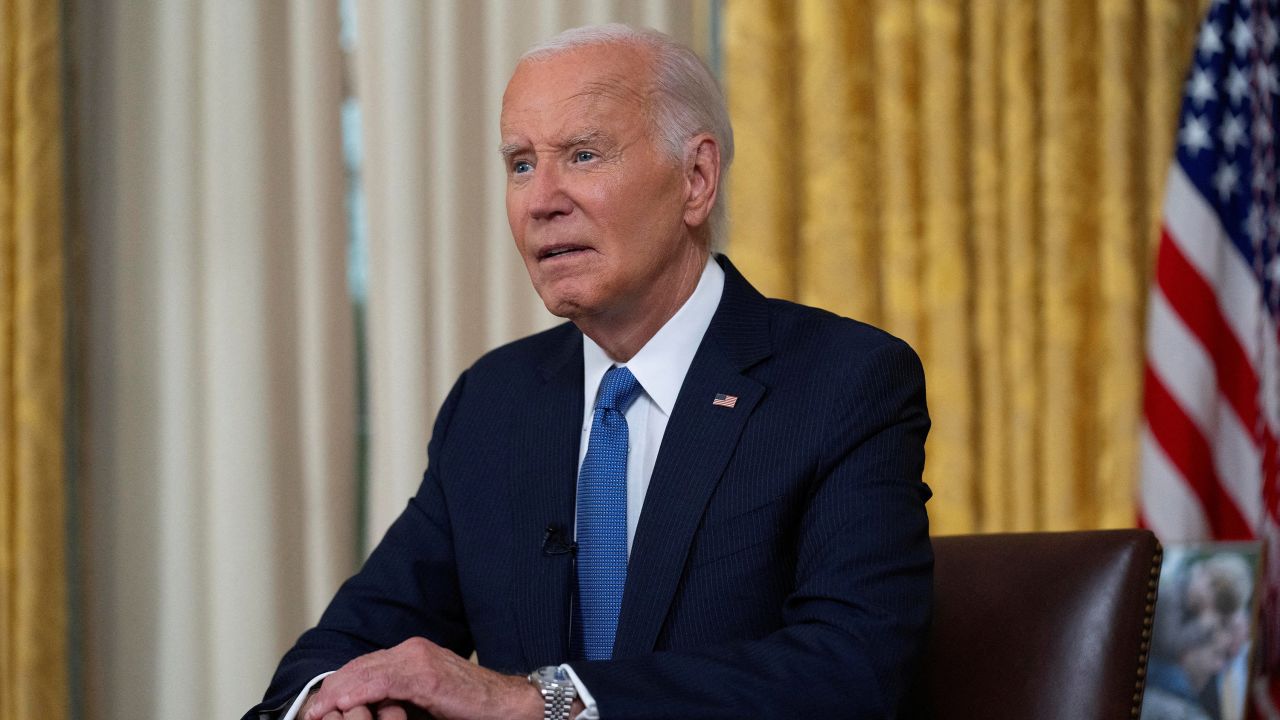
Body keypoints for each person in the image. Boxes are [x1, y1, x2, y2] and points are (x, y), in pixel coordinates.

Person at [245, 23, 932, 720]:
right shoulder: (494, 402)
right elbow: (350, 642)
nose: (541, 199)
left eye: (582, 155)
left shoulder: (843, 383)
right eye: (520, 163)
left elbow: (853, 671)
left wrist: (541, 703)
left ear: (696, 179)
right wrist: (331, 705)